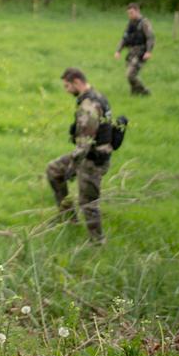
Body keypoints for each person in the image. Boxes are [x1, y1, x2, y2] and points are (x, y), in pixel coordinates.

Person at [46, 68, 114, 244]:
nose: (66, 90)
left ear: (77, 82)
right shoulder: (95, 96)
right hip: (87, 154)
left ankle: (98, 242)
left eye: (67, 86)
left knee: (88, 202)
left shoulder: (89, 105)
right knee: (54, 170)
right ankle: (68, 218)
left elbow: (84, 144)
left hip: (92, 160)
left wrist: (72, 167)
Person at [114, 2, 155, 96]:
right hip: (131, 52)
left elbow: (150, 37)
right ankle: (134, 94)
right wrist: (118, 50)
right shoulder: (130, 23)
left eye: (131, 13)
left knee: (130, 74)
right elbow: (124, 38)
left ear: (137, 11)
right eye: (128, 13)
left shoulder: (144, 23)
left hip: (141, 52)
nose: (130, 15)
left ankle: (145, 92)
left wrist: (148, 51)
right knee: (130, 75)